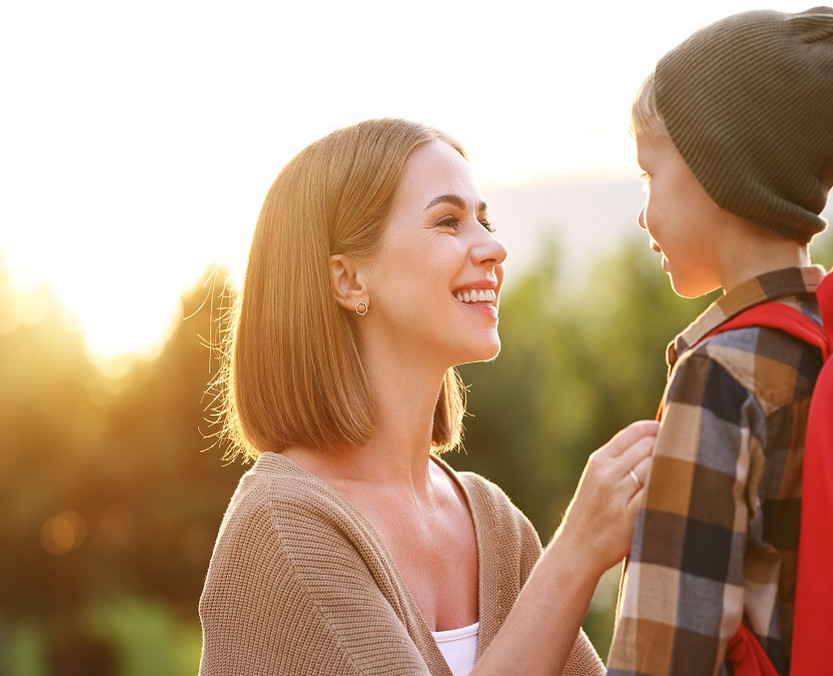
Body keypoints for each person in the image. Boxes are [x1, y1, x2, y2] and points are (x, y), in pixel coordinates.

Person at [199, 118, 657, 676]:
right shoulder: (282, 529)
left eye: (484, 220)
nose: (494, 247)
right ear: (348, 280)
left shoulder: (495, 524)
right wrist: (576, 557)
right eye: (448, 222)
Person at [607, 7, 833, 675]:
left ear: (717, 169)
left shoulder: (719, 379)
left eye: (651, 175)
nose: (643, 211)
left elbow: (664, 657)